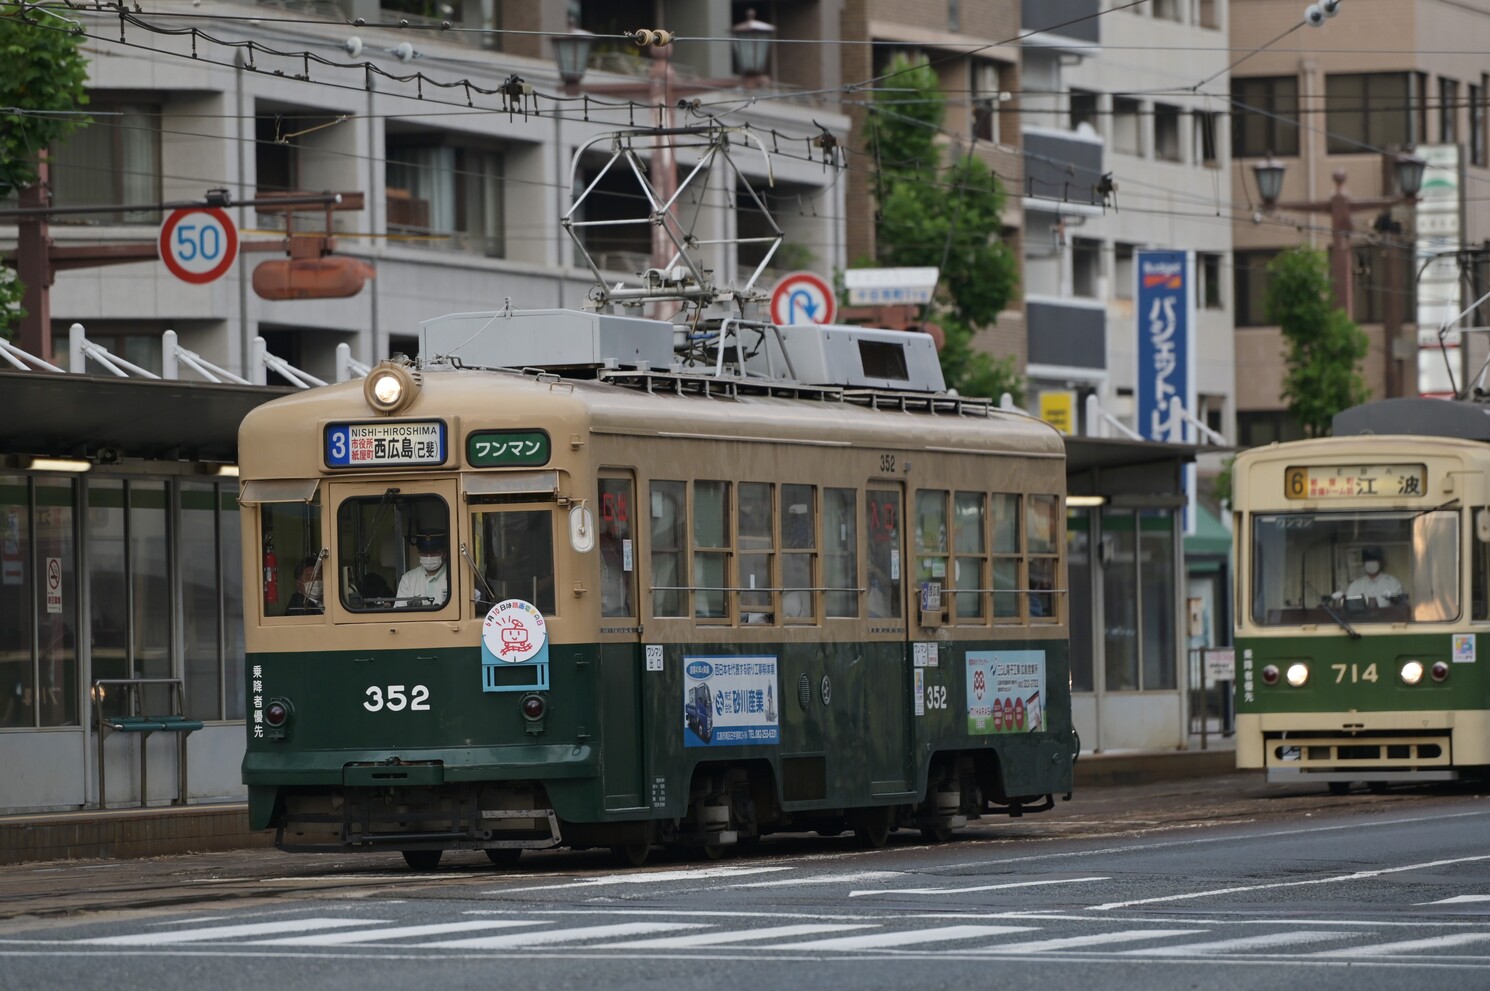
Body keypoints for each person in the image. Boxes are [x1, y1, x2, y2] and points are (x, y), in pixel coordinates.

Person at [396, 529, 449, 608]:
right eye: (424, 553)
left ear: (444, 553)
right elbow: (399, 613)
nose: (429, 557)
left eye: (434, 553)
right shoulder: (408, 579)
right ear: (419, 553)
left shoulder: (455, 576)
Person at [1338, 545, 1404, 607]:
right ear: (1363, 563)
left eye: (1374, 560)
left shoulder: (1392, 582)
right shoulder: (1355, 585)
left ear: (1381, 563)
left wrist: (1392, 598)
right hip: (1361, 618)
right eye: (1368, 561)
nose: (1371, 564)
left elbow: (1400, 605)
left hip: (1387, 618)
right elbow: (1347, 605)